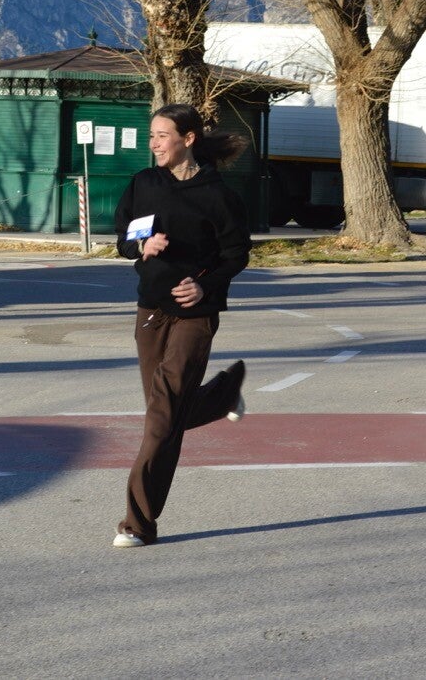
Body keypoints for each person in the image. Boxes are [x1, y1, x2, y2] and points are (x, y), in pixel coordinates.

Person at [111, 103, 252, 548]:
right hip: (150, 312)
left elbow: (237, 255)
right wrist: (142, 247)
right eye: (151, 135)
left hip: (195, 315)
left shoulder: (219, 196)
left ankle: (138, 523)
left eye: (162, 136)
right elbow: (123, 237)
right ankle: (221, 395)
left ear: (187, 139)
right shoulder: (144, 183)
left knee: (162, 419)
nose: (154, 144)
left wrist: (205, 285)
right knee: (165, 413)